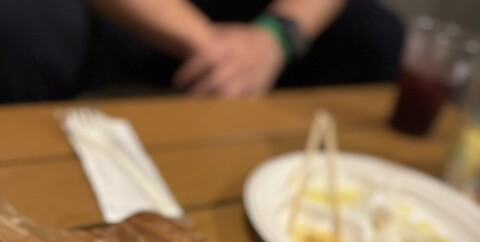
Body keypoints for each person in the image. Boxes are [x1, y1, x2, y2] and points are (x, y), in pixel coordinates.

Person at [0, 0, 405, 103]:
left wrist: (276, 37)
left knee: (377, 34)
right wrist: (212, 47)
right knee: (20, 26)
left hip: (255, 22)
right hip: (125, 20)